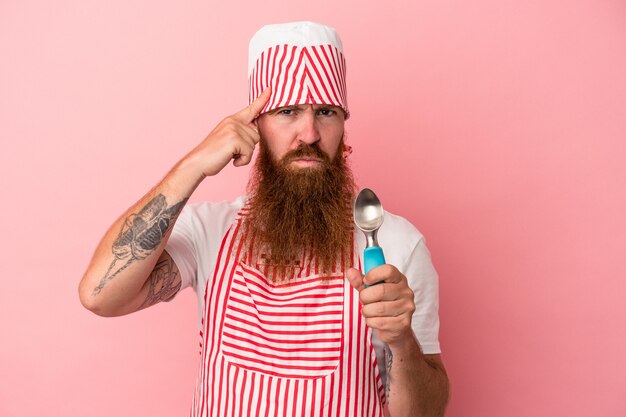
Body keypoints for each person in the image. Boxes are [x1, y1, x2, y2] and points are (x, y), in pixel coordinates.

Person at [79, 21, 449, 417]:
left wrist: (401, 340)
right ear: (255, 125)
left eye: (325, 112)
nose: (308, 133)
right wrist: (193, 166)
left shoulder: (396, 244)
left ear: (343, 125)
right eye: (287, 111)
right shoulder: (210, 232)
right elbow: (100, 296)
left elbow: (425, 414)